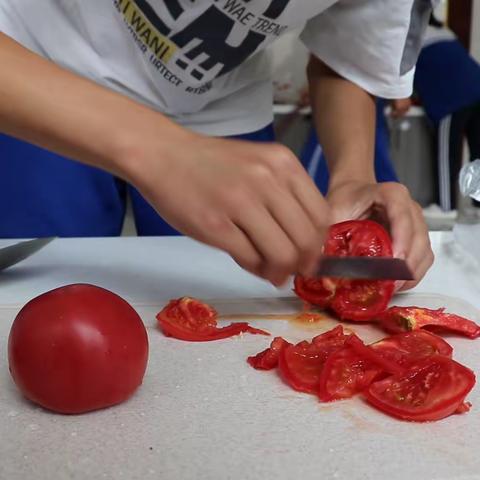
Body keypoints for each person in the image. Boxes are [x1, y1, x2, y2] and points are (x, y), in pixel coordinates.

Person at [0, 1, 433, 289]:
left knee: (229, 301)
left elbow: (350, 58)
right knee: (37, 297)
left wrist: (353, 176)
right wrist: (159, 149)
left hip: (218, 104)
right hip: (36, 64)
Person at [391, 14, 480, 211]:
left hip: (452, 97)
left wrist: (398, 95)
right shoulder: (443, 31)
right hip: (476, 88)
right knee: (478, 156)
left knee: (447, 157)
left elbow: (396, 73)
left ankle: (445, 210)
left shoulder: (407, 34)